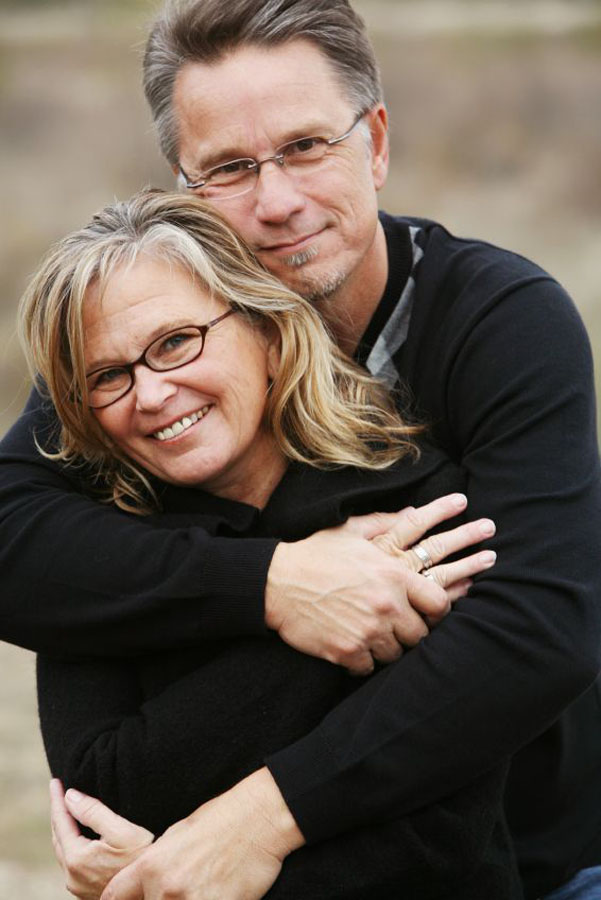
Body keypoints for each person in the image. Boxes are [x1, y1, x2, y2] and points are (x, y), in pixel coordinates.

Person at [0, 0, 600, 897]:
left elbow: (537, 631)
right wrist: (277, 584)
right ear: (183, 190)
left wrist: (247, 827)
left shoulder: (498, 319)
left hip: (543, 855)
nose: (276, 202)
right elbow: (17, 536)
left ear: (376, 142)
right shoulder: (147, 358)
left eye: (307, 146)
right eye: (230, 168)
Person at [22, 189, 515, 900]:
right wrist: (316, 602)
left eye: (173, 343)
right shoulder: (94, 550)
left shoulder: (414, 502)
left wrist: (167, 872)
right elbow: (106, 795)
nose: (151, 394)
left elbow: (438, 832)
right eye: (108, 375)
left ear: (270, 337)